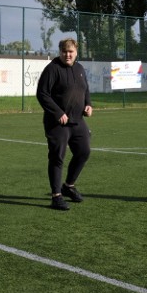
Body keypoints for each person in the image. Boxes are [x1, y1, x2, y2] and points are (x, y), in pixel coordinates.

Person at [36, 37, 93, 211]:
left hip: (77, 120)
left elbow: (85, 89)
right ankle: (56, 196)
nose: (67, 55)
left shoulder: (80, 68)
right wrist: (58, 112)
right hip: (57, 123)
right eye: (64, 51)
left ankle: (68, 186)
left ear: (76, 52)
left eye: (71, 52)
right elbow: (42, 94)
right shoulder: (52, 69)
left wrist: (88, 104)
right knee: (57, 157)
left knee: (83, 152)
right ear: (60, 52)